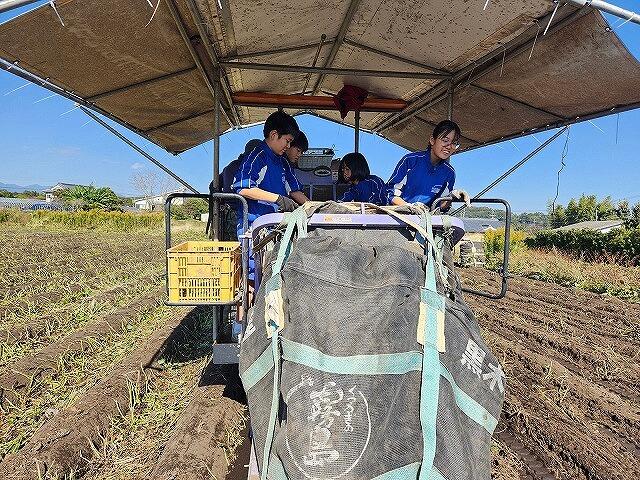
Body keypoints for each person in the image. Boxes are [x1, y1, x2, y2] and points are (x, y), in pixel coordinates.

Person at [232, 110, 310, 277]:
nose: (288, 146)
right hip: (255, 229)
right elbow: (243, 187)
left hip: (277, 228)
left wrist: (313, 207)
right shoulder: (257, 157)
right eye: (287, 141)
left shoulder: (283, 162)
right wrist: (278, 199)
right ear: (274, 135)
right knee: (255, 276)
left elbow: (294, 190)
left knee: (276, 272)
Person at [386, 120, 470, 210]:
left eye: (454, 143)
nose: (449, 146)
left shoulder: (449, 173)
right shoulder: (410, 160)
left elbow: (441, 206)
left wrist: (452, 196)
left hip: (425, 217)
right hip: (397, 214)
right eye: (445, 140)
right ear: (432, 140)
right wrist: (410, 207)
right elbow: (390, 193)